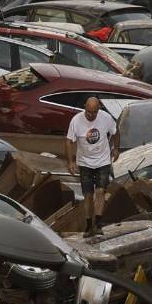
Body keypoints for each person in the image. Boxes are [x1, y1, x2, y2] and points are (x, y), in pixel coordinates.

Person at [66, 97, 119, 237]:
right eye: (88, 112)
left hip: (102, 161)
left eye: (94, 112)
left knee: (100, 191)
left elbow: (115, 132)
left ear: (99, 110)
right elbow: (69, 141)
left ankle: (99, 223)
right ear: (85, 107)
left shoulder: (106, 118)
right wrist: (71, 161)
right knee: (88, 195)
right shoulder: (76, 121)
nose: (91, 115)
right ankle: (89, 225)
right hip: (84, 162)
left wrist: (116, 148)